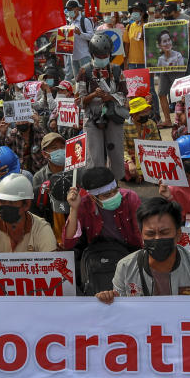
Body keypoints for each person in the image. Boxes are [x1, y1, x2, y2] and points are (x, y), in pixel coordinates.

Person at [96, 197, 190, 302]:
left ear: (178, 234)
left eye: (164, 232)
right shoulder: (126, 267)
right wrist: (108, 300)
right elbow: (119, 313)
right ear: (141, 235)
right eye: (150, 234)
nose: (157, 238)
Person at [0, 174, 58, 295]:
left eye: (11, 203)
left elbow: (53, 273)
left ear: (26, 205)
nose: (4, 206)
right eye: (1, 201)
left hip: (34, 291)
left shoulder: (42, 229)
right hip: (1, 289)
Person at [77, 33, 126, 178]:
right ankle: (97, 185)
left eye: (106, 55)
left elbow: (124, 95)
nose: (103, 59)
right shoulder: (84, 72)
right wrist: (93, 95)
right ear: (92, 55)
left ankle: (116, 183)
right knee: (94, 155)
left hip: (113, 116)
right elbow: (78, 100)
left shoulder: (117, 70)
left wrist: (110, 96)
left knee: (116, 152)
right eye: (100, 56)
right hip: (92, 118)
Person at [63, 166, 143, 250]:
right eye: (107, 195)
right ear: (93, 197)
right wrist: (74, 208)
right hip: (100, 253)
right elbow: (68, 242)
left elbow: (140, 231)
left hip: (129, 249)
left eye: (115, 191)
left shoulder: (130, 197)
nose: (114, 196)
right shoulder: (84, 205)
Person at [122, 96, 160, 182]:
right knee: (124, 167)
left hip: (148, 155)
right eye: (142, 113)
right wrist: (130, 162)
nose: (146, 115)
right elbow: (123, 149)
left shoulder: (151, 123)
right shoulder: (124, 126)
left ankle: (143, 174)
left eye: (146, 112)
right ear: (133, 114)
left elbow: (157, 144)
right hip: (132, 157)